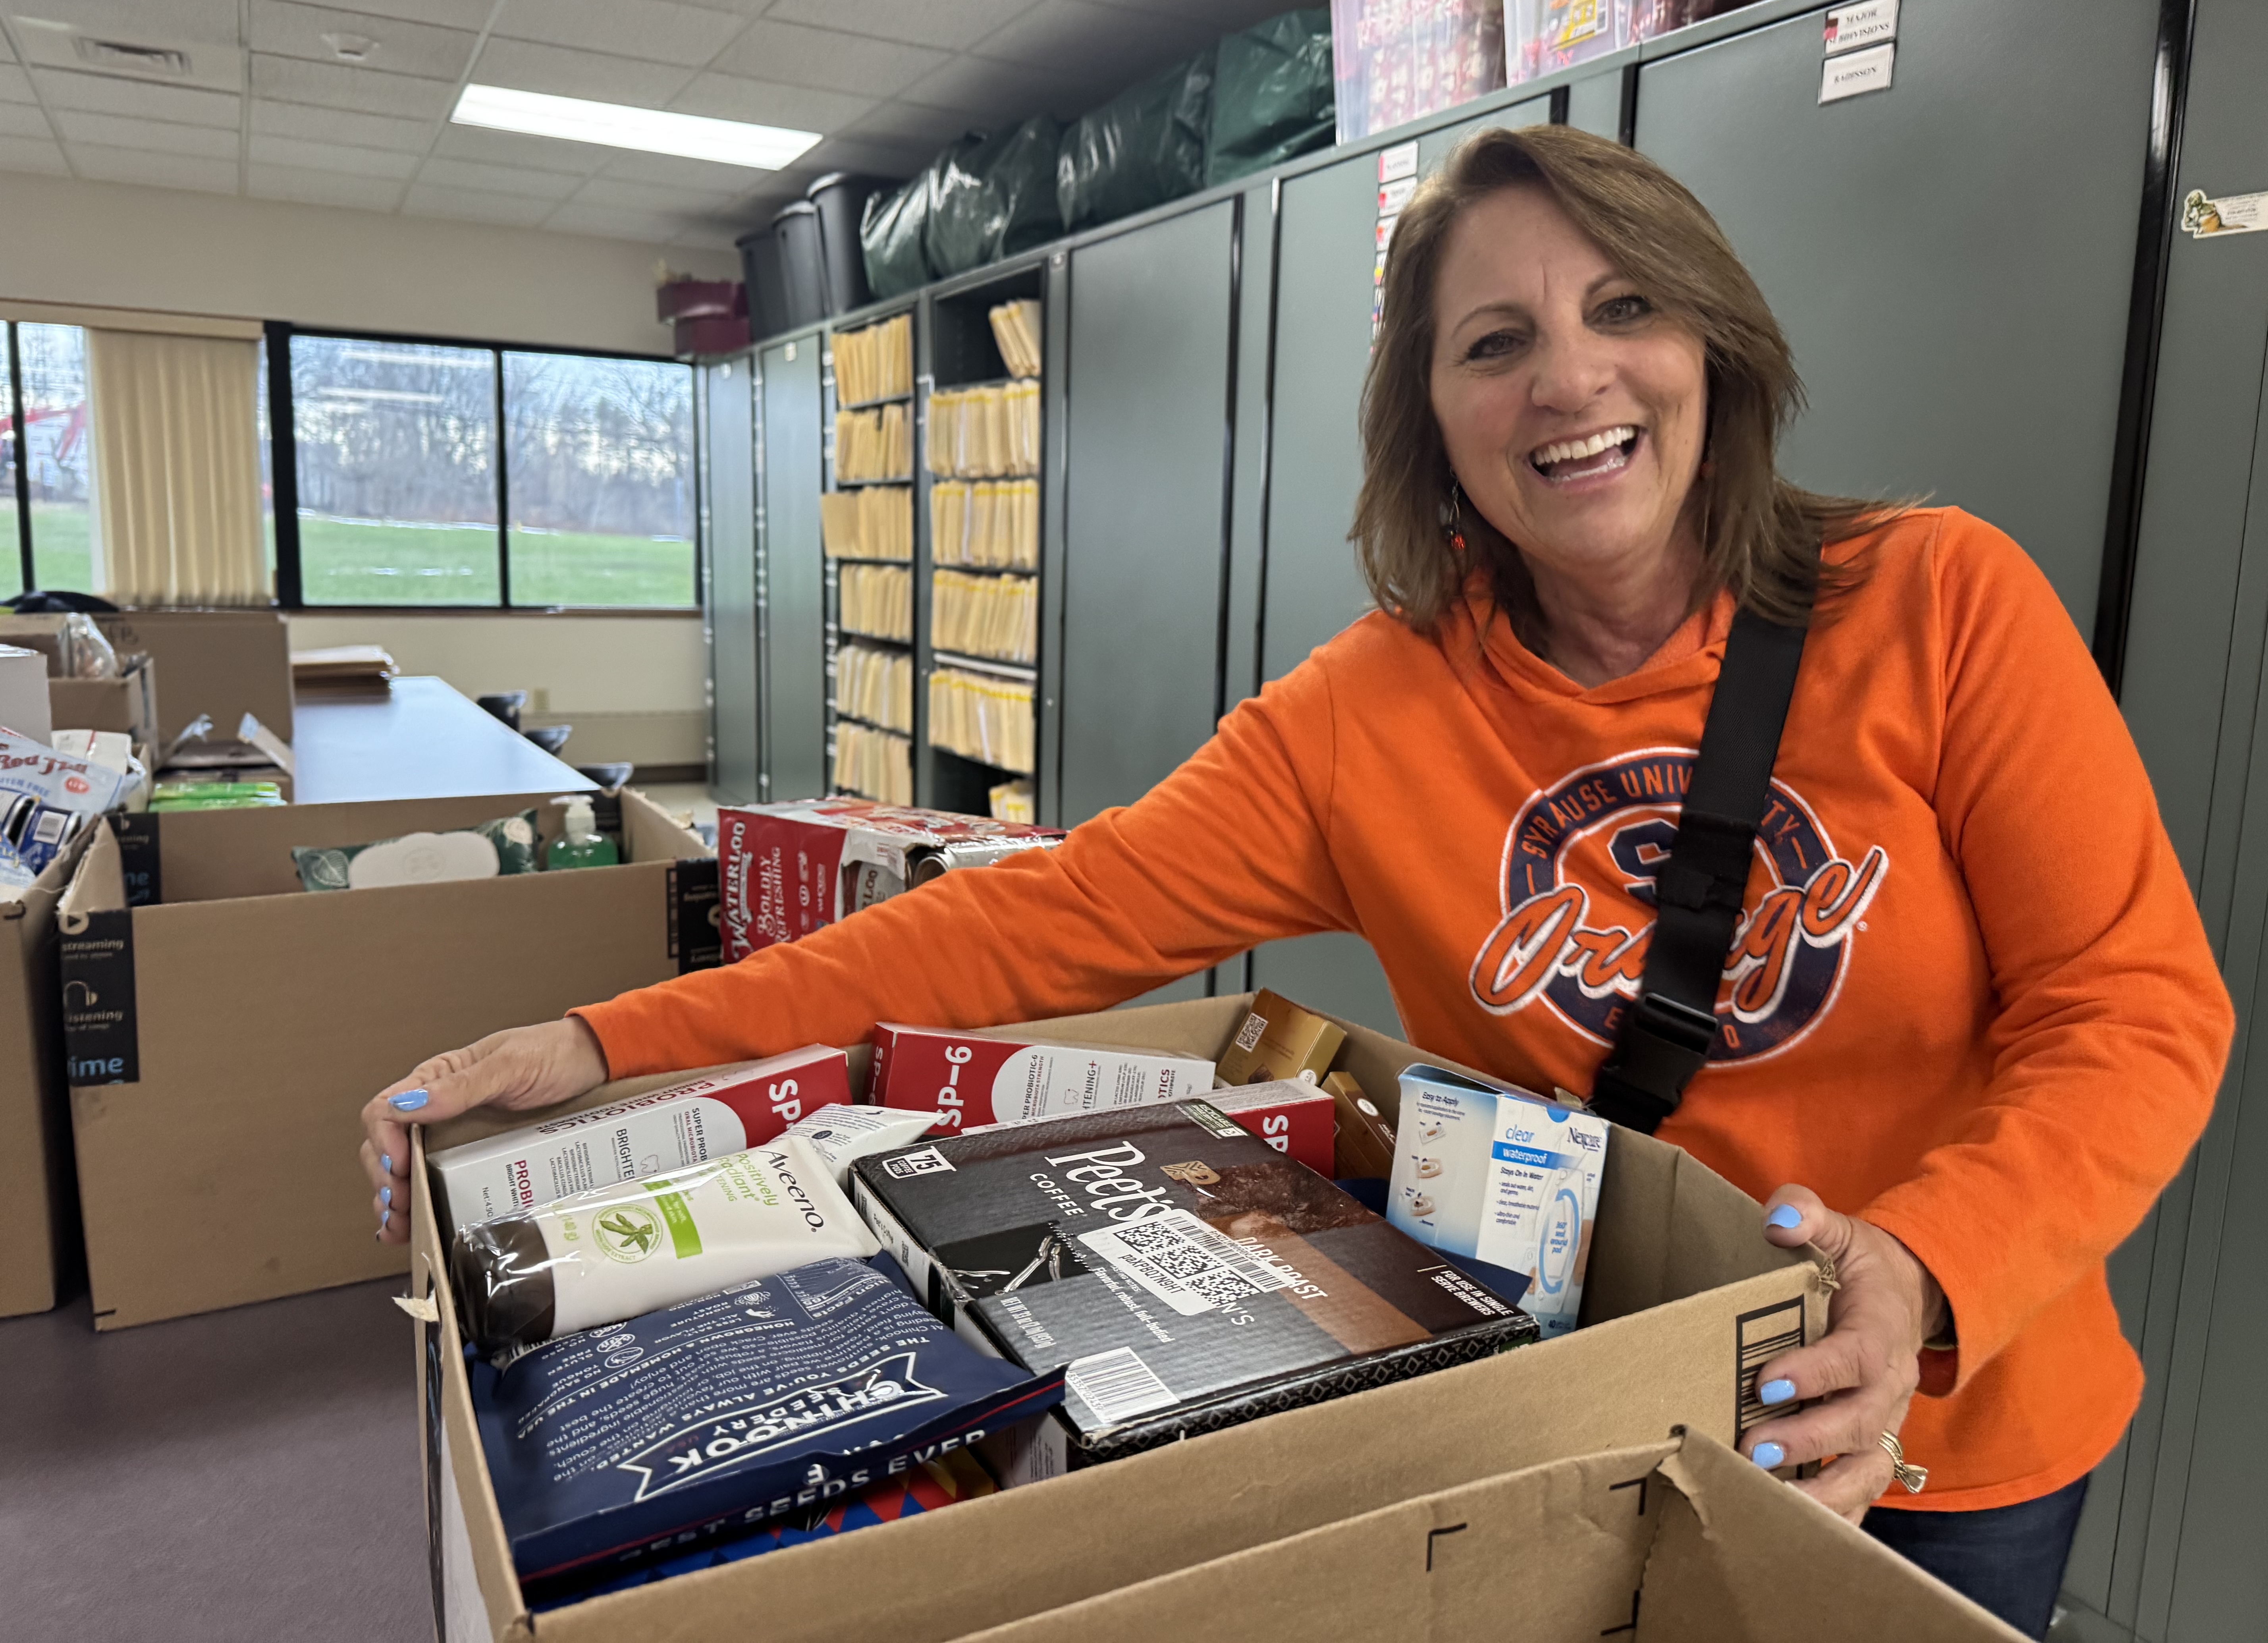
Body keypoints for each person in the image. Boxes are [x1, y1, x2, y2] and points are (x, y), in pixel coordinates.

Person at [361, 127, 2228, 1638]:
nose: (1572, 379)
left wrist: (1923, 1270)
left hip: (1946, 1437)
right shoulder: (1372, 714)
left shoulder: (1938, 599)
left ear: (1716, 346)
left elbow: (2134, 1011)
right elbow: (1019, 924)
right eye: (1494, 341)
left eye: (1625, 307)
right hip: (1583, 1404)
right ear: (1430, 414)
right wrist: (609, 1039)